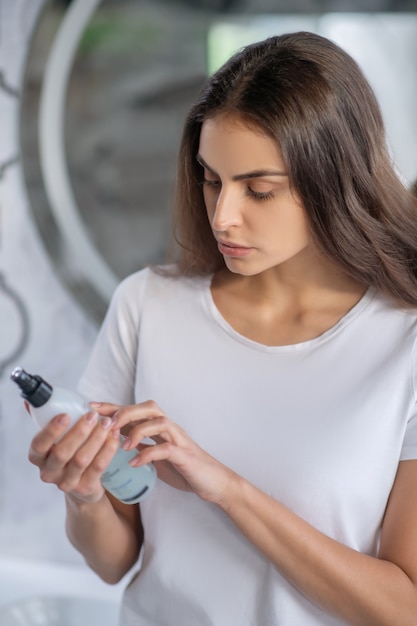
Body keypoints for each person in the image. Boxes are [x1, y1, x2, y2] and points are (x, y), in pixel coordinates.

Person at [27, 31, 417, 626]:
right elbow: (114, 563)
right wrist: (84, 494)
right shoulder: (147, 306)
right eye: (212, 180)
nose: (223, 217)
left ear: (333, 180)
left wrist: (228, 490)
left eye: (258, 190)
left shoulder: (403, 343)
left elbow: (403, 607)